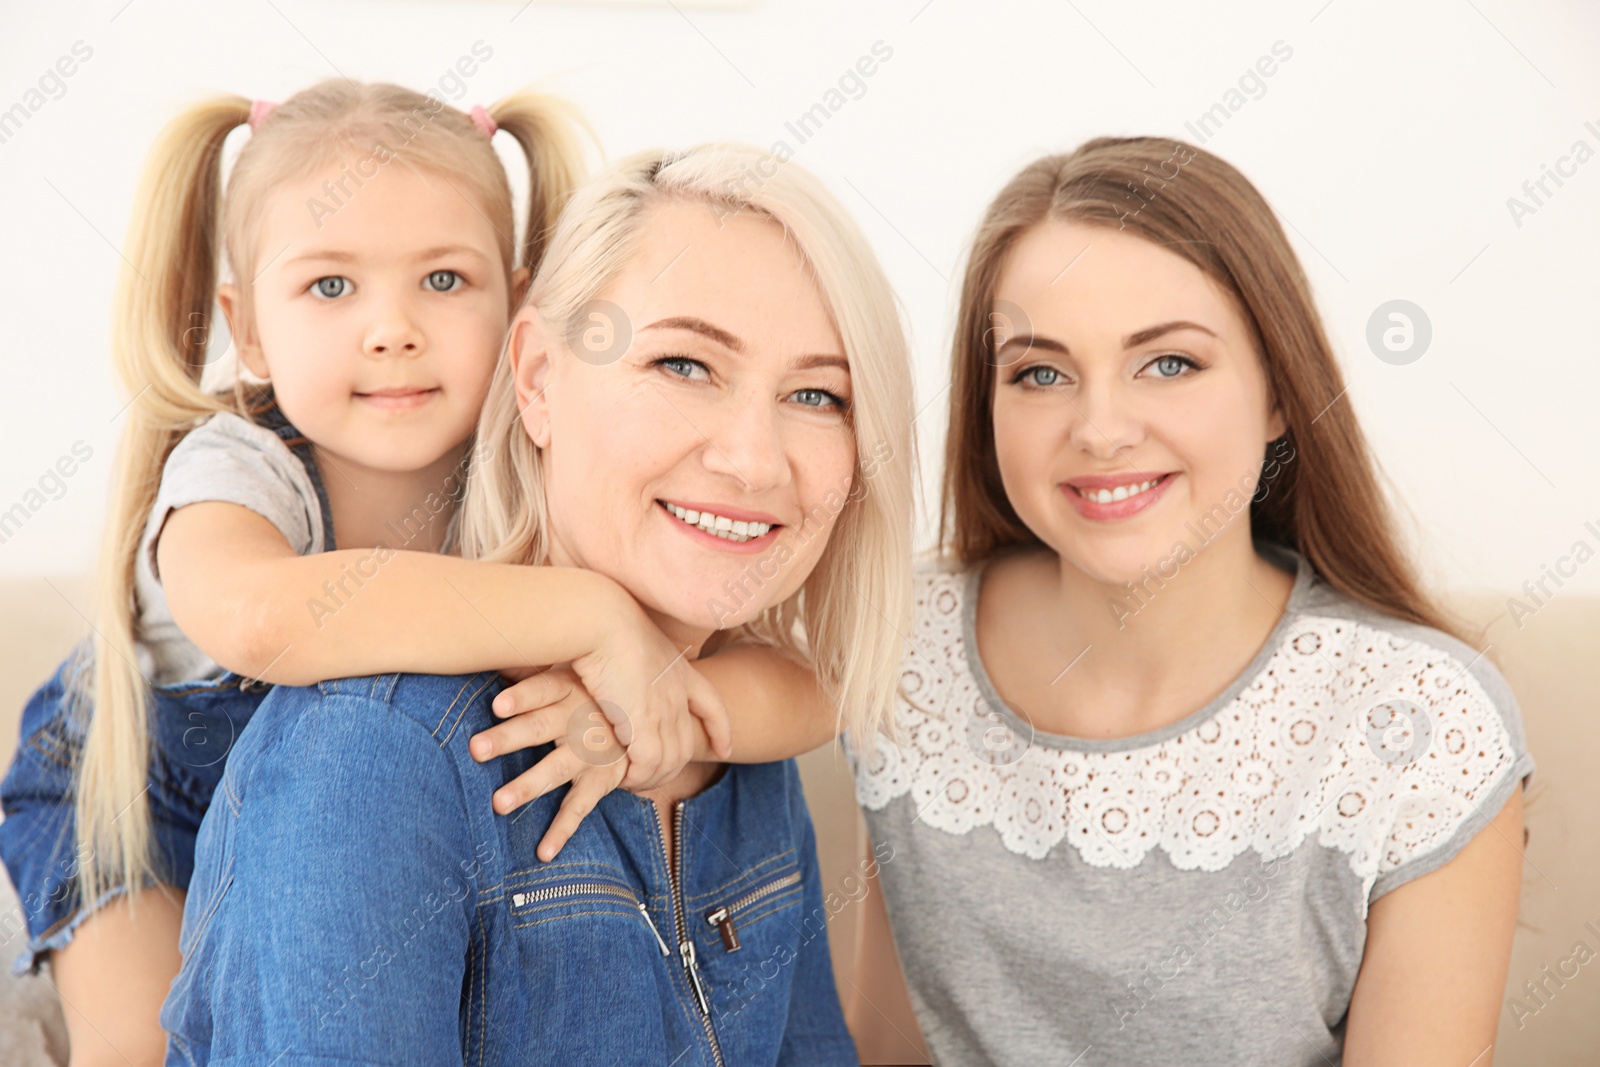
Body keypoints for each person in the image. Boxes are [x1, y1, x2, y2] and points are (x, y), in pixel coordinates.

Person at [0, 79, 782, 1066]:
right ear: (248, 329)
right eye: (331, 286)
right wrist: (587, 613)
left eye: (444, 281)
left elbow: (813, 683)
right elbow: (260, 618)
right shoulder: (238, 466)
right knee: (141, 1043)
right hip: (145, 798)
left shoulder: (540, 472)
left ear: (520, 303)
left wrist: (669, 695)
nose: (392, 328)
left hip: (375, 837)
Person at [159, 142, 915, 1065]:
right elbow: (254, 609)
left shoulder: (740, 746)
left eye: (817, 393)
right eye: (684, 365)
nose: (754, 460)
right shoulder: (373, 755)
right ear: (539, 380)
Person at [845, 136, 1533, 1065]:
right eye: (1040, 373)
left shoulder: (1422, 725)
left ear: (1280, 393)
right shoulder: (902, 643)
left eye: (1168, 363)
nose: (1100, 429)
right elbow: (886, 1045)